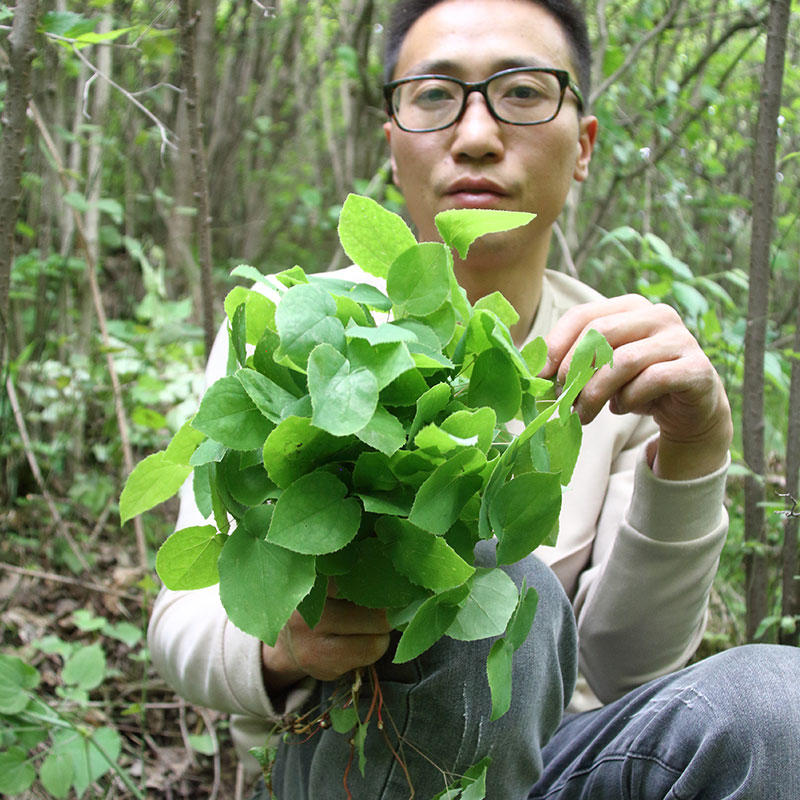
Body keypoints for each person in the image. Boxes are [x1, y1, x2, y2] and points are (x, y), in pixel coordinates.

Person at [148, 0, 800, 797]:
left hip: (559, 761)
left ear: (584, 145)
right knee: (483, 571)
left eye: (523, 92)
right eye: (433, 94)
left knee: (777, 703)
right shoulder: (292, 334)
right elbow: (179, 622)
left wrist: (695, 450)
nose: (478, 133)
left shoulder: (617, 365)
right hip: (357, 750)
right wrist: (281, 645)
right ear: (392, 144)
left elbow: (625, 669)